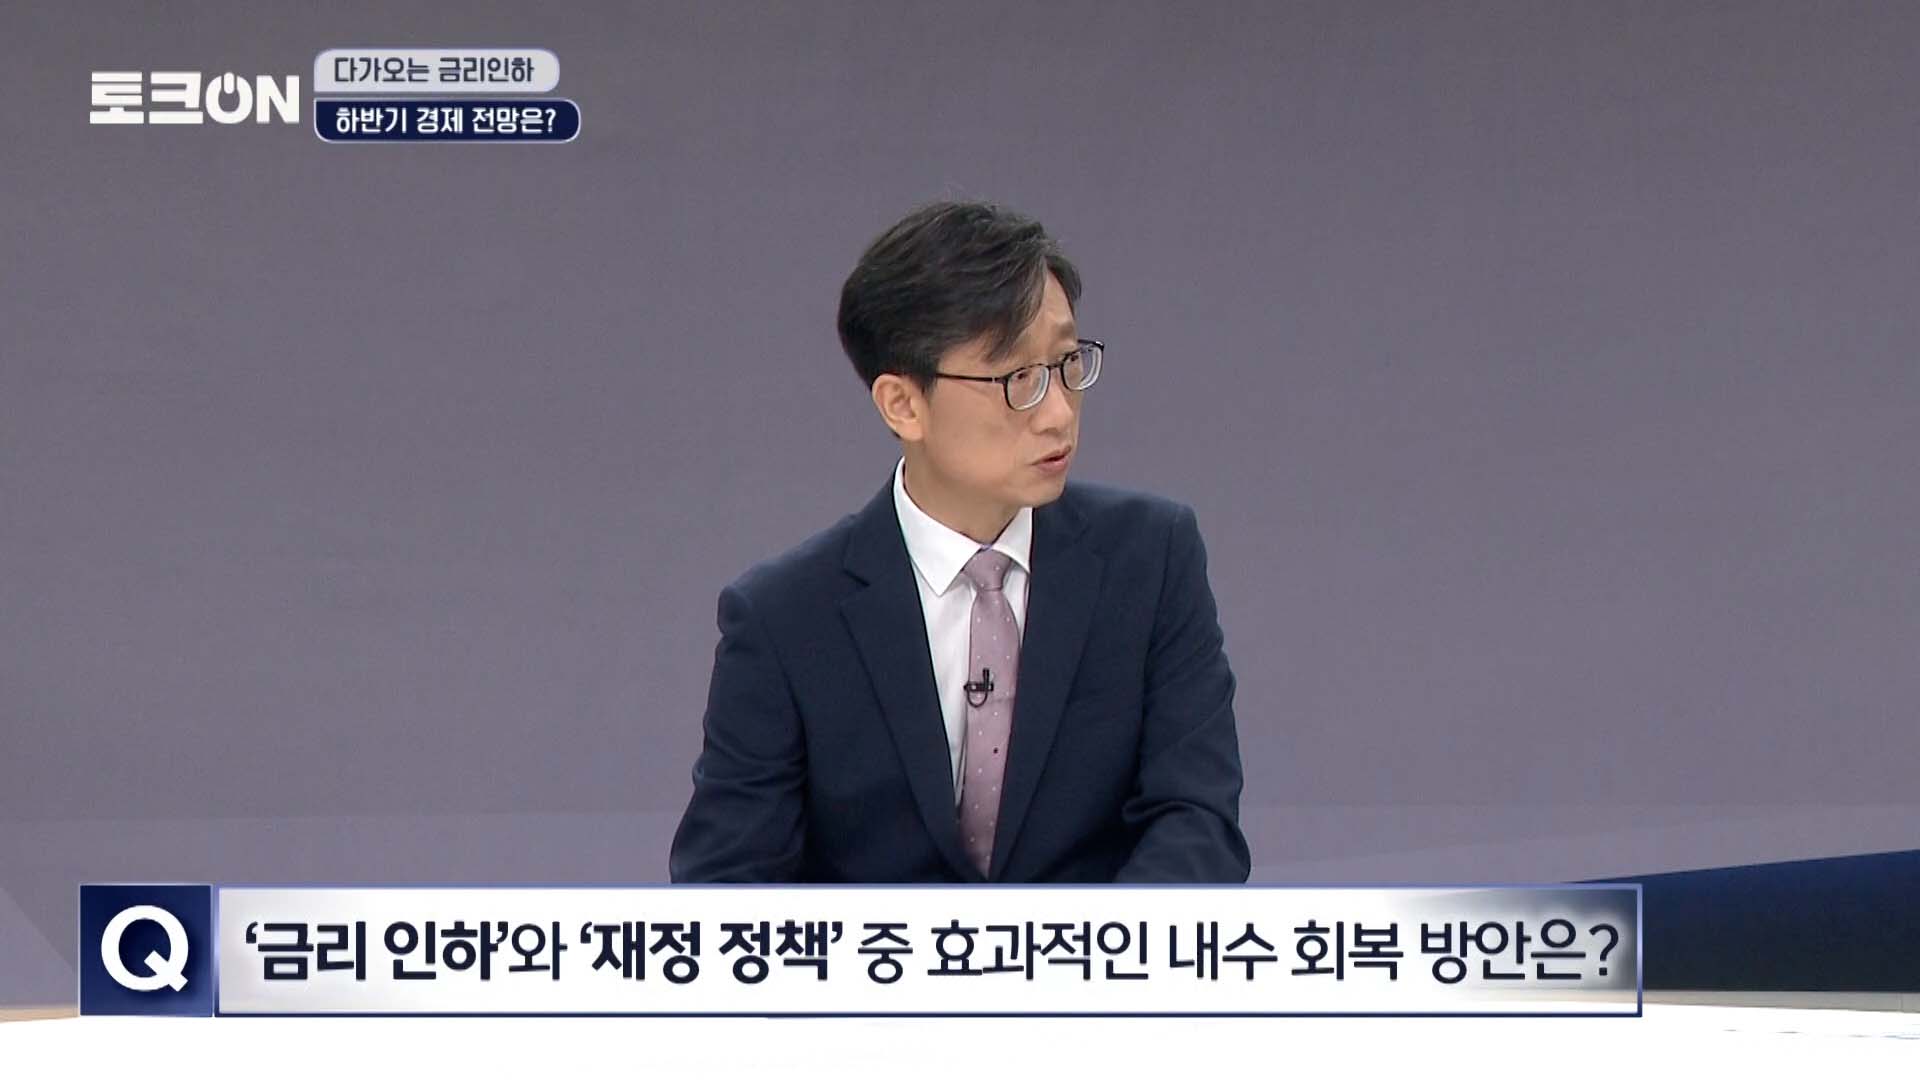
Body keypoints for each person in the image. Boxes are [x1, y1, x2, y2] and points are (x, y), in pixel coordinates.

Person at [669, 200, 1249, 883]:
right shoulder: (784, 618)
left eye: (1067, 363)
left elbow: (1196, 821)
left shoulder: (1151, 560)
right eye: (1017, 380)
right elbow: (728, 883)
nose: (1058, 412)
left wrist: (1082, 952)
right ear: (903, 404)